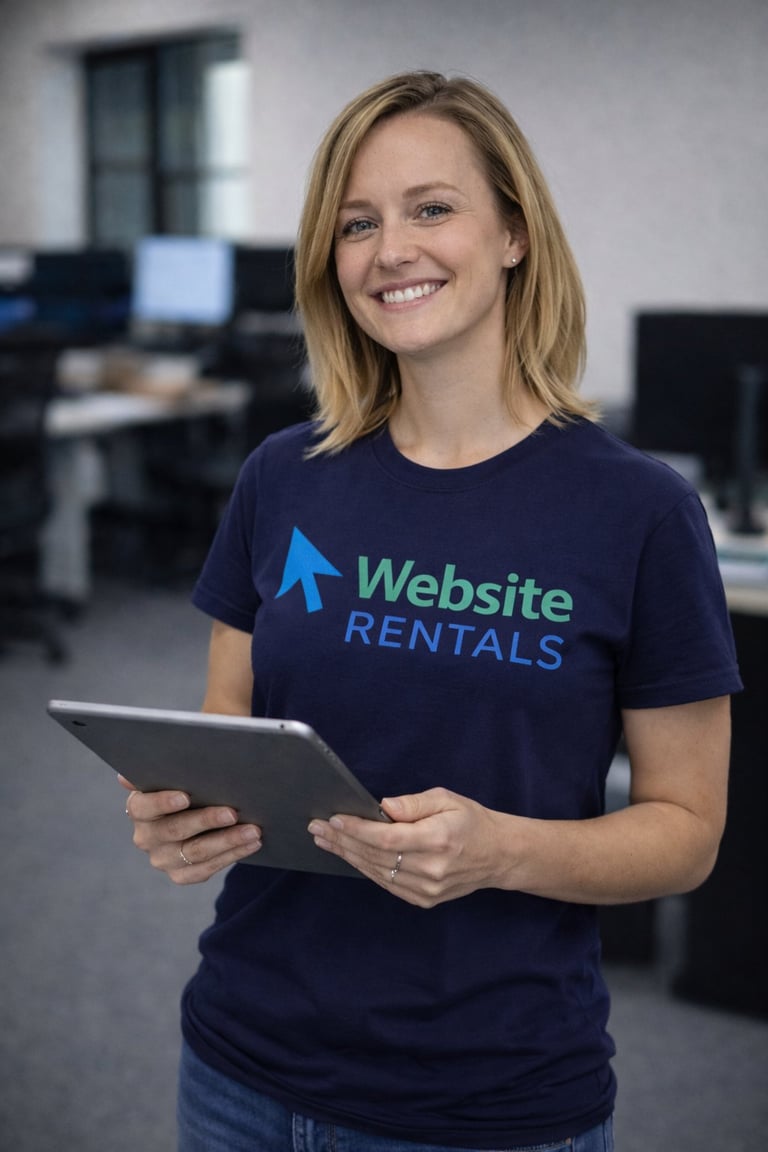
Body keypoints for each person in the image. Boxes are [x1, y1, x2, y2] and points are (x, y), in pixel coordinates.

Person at [122, 70, 741, 1151]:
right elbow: (227, 719)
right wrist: (188, 811)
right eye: (357, 222)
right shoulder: (286, 475)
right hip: (239, 1066)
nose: (389, 249)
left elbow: (686, 835)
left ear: (512, 233)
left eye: (431, 208)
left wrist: (502, 851)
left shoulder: (639, 511)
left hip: (485, 1100)